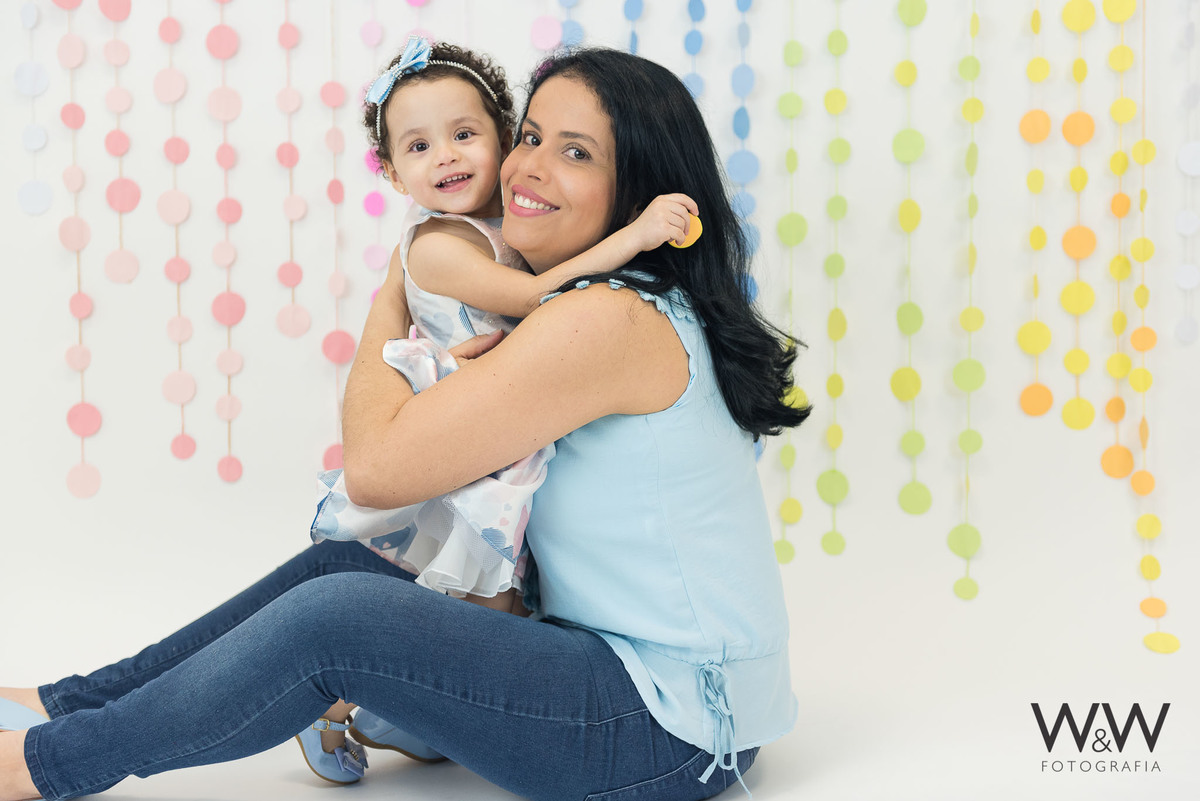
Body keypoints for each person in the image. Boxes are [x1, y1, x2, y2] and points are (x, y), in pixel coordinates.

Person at [0, 46, 808, 801]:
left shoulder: (605, 319)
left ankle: (42, 765)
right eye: (530, 136)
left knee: (335, 619)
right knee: (353, 564)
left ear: (636, 192)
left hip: (665, 728)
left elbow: (376, 470)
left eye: (576, 152)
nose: (529, 166)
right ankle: (62, 703)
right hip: (648, 690)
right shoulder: (616, 301)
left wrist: (398, 282)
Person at [312, 36, 700, 613]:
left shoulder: (506, 224)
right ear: (393, 175)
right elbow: (536, 296)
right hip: (467, 435)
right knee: (483, 590)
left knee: (508, 581)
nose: (446, 157)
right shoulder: (435, 246)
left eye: (464, 135)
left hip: (501, 415)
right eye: (419, 146)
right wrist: (635, 235)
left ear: (500, 137)